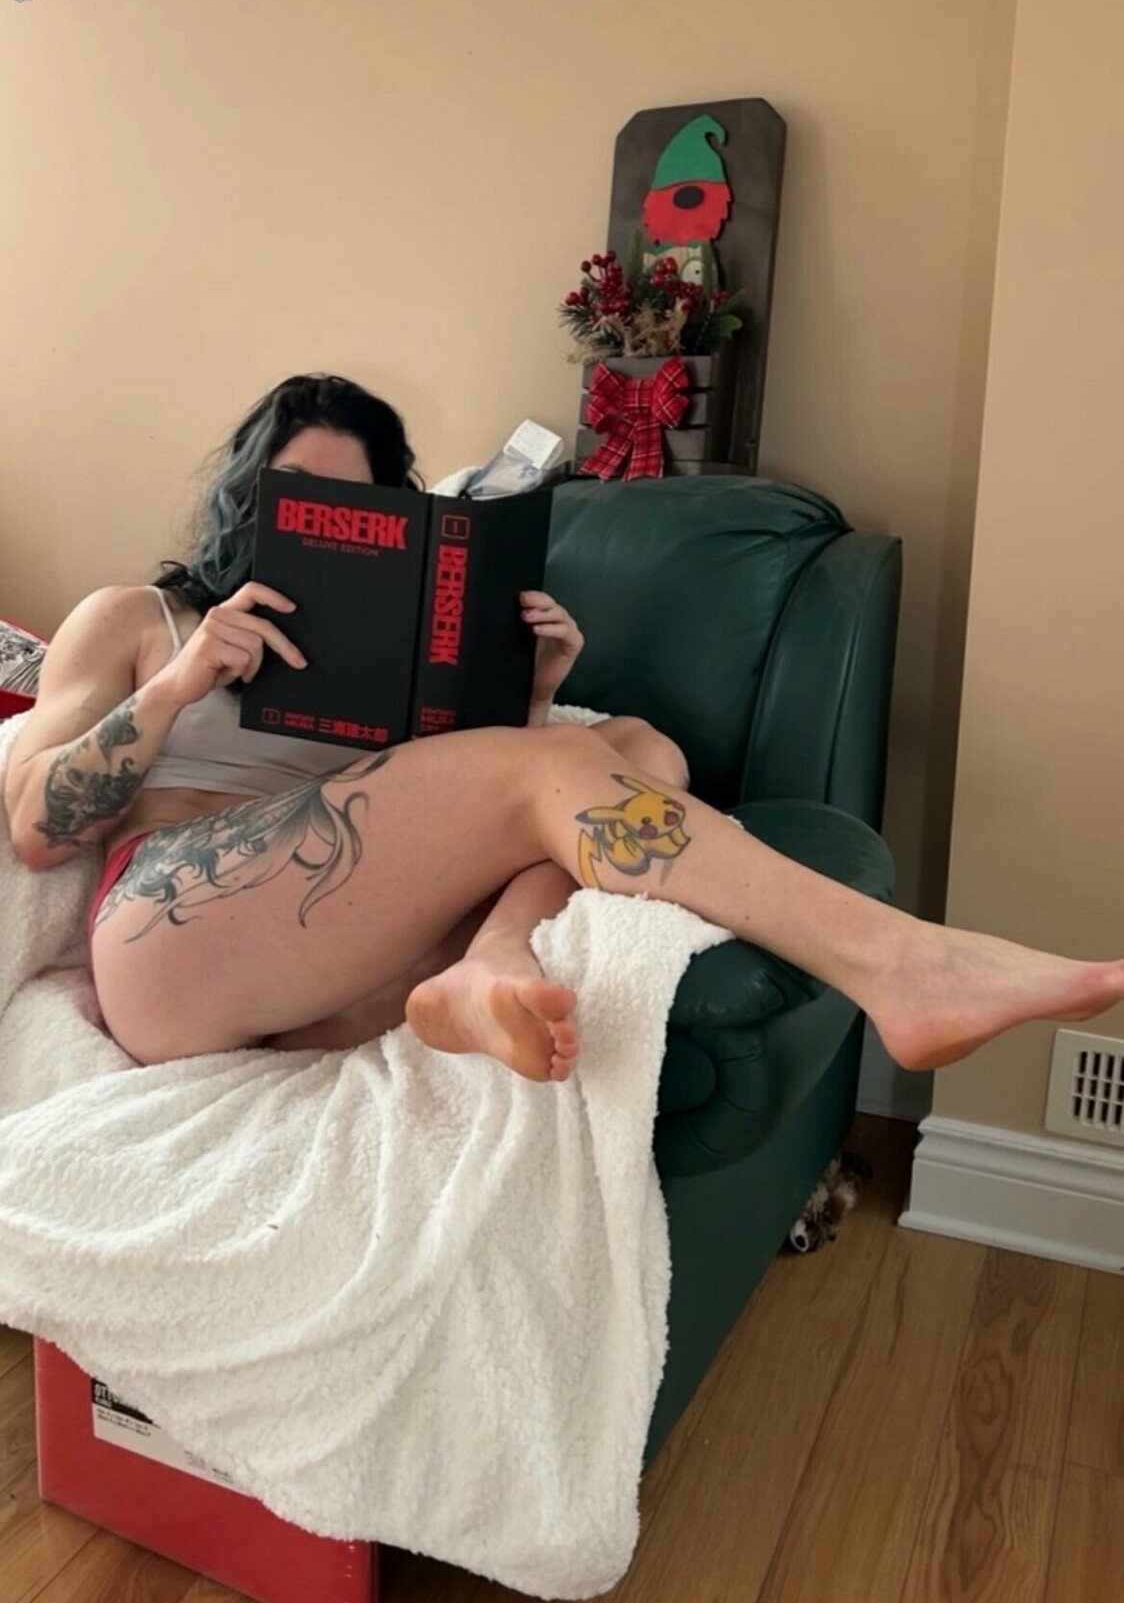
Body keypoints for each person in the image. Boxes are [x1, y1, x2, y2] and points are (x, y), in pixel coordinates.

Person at [4, 374, 1122, 1086]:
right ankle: (900, 962)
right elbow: (36, 827)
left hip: (337, 967)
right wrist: (176, 686)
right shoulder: (137, 619)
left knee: (638, 745)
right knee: (557, 769)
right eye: (297, 496)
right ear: (248, 497)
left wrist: (531, 698)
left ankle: (490, 963)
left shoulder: (387, 648)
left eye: (357, 505)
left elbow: (442, 820)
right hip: (173, 945)